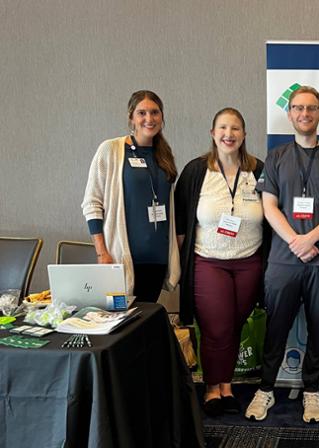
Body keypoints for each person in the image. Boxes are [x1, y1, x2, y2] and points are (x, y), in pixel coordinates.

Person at [244, 86, 319, 423]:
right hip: (283, 259)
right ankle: (265, 390)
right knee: (276, 328)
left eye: (311, 108)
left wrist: (311, 239)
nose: (304, 114)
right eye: (297, 108)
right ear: (290, 114)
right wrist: (295, 240)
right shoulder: (276, 156)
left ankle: (311, 392)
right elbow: (268, 205)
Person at [174, 108, 265, 417]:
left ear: (244, 135)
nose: (229, 134)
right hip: (208, 263)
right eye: (223, 128)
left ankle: (227, 386)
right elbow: (181, 224)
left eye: (236, 128)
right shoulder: (196, 171)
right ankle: (212, 389)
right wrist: (176, 265)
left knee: (234, 326)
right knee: (217, 328)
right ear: (213, 133)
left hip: (249, 263)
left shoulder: (259, 171)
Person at [82, 90, 180, 302]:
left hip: (156, 260)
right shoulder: (111, 150)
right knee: (120, 320)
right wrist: (101, 252)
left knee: (143, 323)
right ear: (131, 117)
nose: (149, 119)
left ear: (162, 117)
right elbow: (92, 203)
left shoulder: (164, 155)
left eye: (154, 112)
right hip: (121, 258)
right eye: (142, 113)